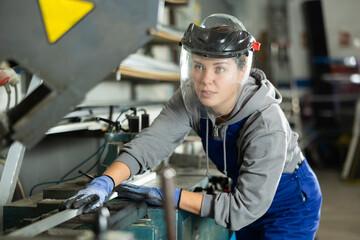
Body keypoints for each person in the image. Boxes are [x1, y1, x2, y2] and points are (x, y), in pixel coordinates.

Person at [60, 13, 322, 239]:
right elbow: (152, 143)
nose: (205, 80)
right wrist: (105, 182)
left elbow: (242, 210)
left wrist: (170, 196)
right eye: (199, 66)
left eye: (219, 69)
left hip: (289, 202)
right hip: (246, 193)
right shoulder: (192, 97)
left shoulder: (266, 124)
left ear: (242, 71)